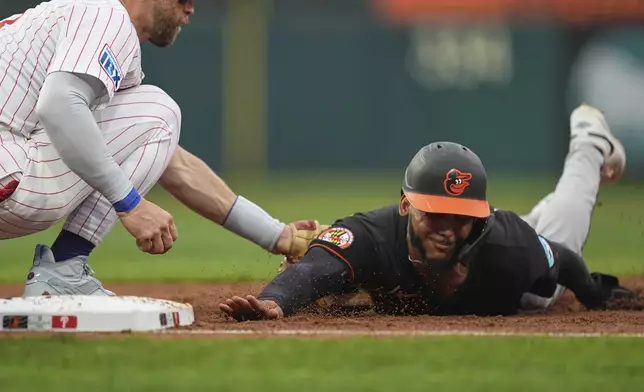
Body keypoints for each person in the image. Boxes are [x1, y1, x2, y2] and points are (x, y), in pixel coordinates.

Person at [0, 0, 320, 297]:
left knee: (154, 118)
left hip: (11, 161)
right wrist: (130, 203)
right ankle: (64, 268)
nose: (191, 8)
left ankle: (64, 268)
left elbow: (172, 164)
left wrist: (278, 235)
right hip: (10, 170)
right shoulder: (105, 13)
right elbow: (59, 105)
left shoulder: (71, 19)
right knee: (159, 109)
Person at [219, 104, 638, 321]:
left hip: (528, 285)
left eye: (461, 216)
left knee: (562, 226)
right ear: (406, 203)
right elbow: (312, 272)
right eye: (435, 213)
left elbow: (563, 259)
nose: (448, 228)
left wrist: (595, 295)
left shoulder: (511, 247)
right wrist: (273, 301)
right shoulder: (373, 236)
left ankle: (588, 141)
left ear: (479, 214)